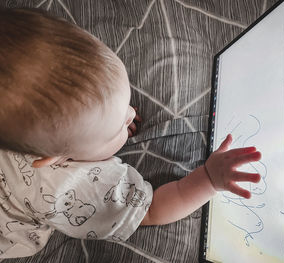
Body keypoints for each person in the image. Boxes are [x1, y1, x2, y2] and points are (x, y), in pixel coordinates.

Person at [0, 8, 261, 258]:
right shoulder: (75, 186)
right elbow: (151, 211)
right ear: (55, 158)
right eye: (117, 128)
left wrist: (108, 126)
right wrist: (207, 179)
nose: (131, 115)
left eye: (124, 108)